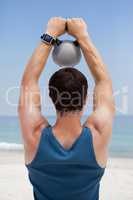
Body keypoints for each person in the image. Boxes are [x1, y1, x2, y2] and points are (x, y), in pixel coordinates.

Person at [18, 17, 115, 200]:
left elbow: (28, 81)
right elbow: (104, 81)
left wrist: (50, 34)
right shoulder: (98, 134)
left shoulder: (34, 135)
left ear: (51, 96)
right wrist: (82, 36)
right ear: (85, 98)